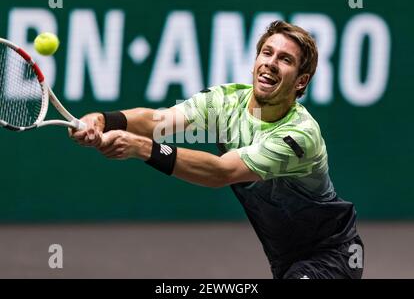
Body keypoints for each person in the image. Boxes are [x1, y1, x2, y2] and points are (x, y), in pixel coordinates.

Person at [70, 20, 364, 279]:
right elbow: (158, 121)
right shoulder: (225, 101)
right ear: (255, 61)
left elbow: (221, 173)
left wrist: (141, 147)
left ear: (301, 81)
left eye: (285, 59)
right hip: (284, 258)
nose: (271, 63)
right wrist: (102, 120)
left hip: (332, 253)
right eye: (267, 52)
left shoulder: (299, 135)